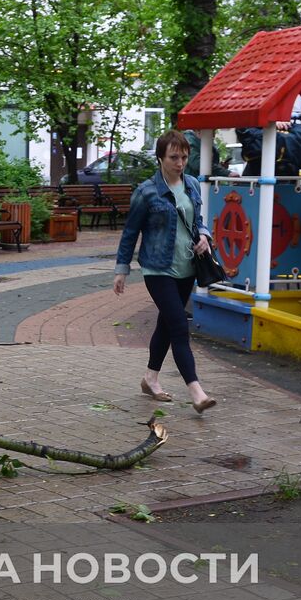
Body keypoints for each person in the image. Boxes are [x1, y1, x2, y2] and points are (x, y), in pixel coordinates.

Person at [112, 129, 217, 413]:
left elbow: (199, 221)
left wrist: (205, 236)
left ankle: (150, 379)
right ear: (160, 158)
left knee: (166, 325)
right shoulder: (146, 192)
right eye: (174, 157)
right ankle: (196, 392)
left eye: (184, 157)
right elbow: (130, 232)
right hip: (157, 269)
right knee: (179, 325)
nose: (180, 163)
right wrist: (122, 269)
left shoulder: (192, 185)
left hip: (187, 268)